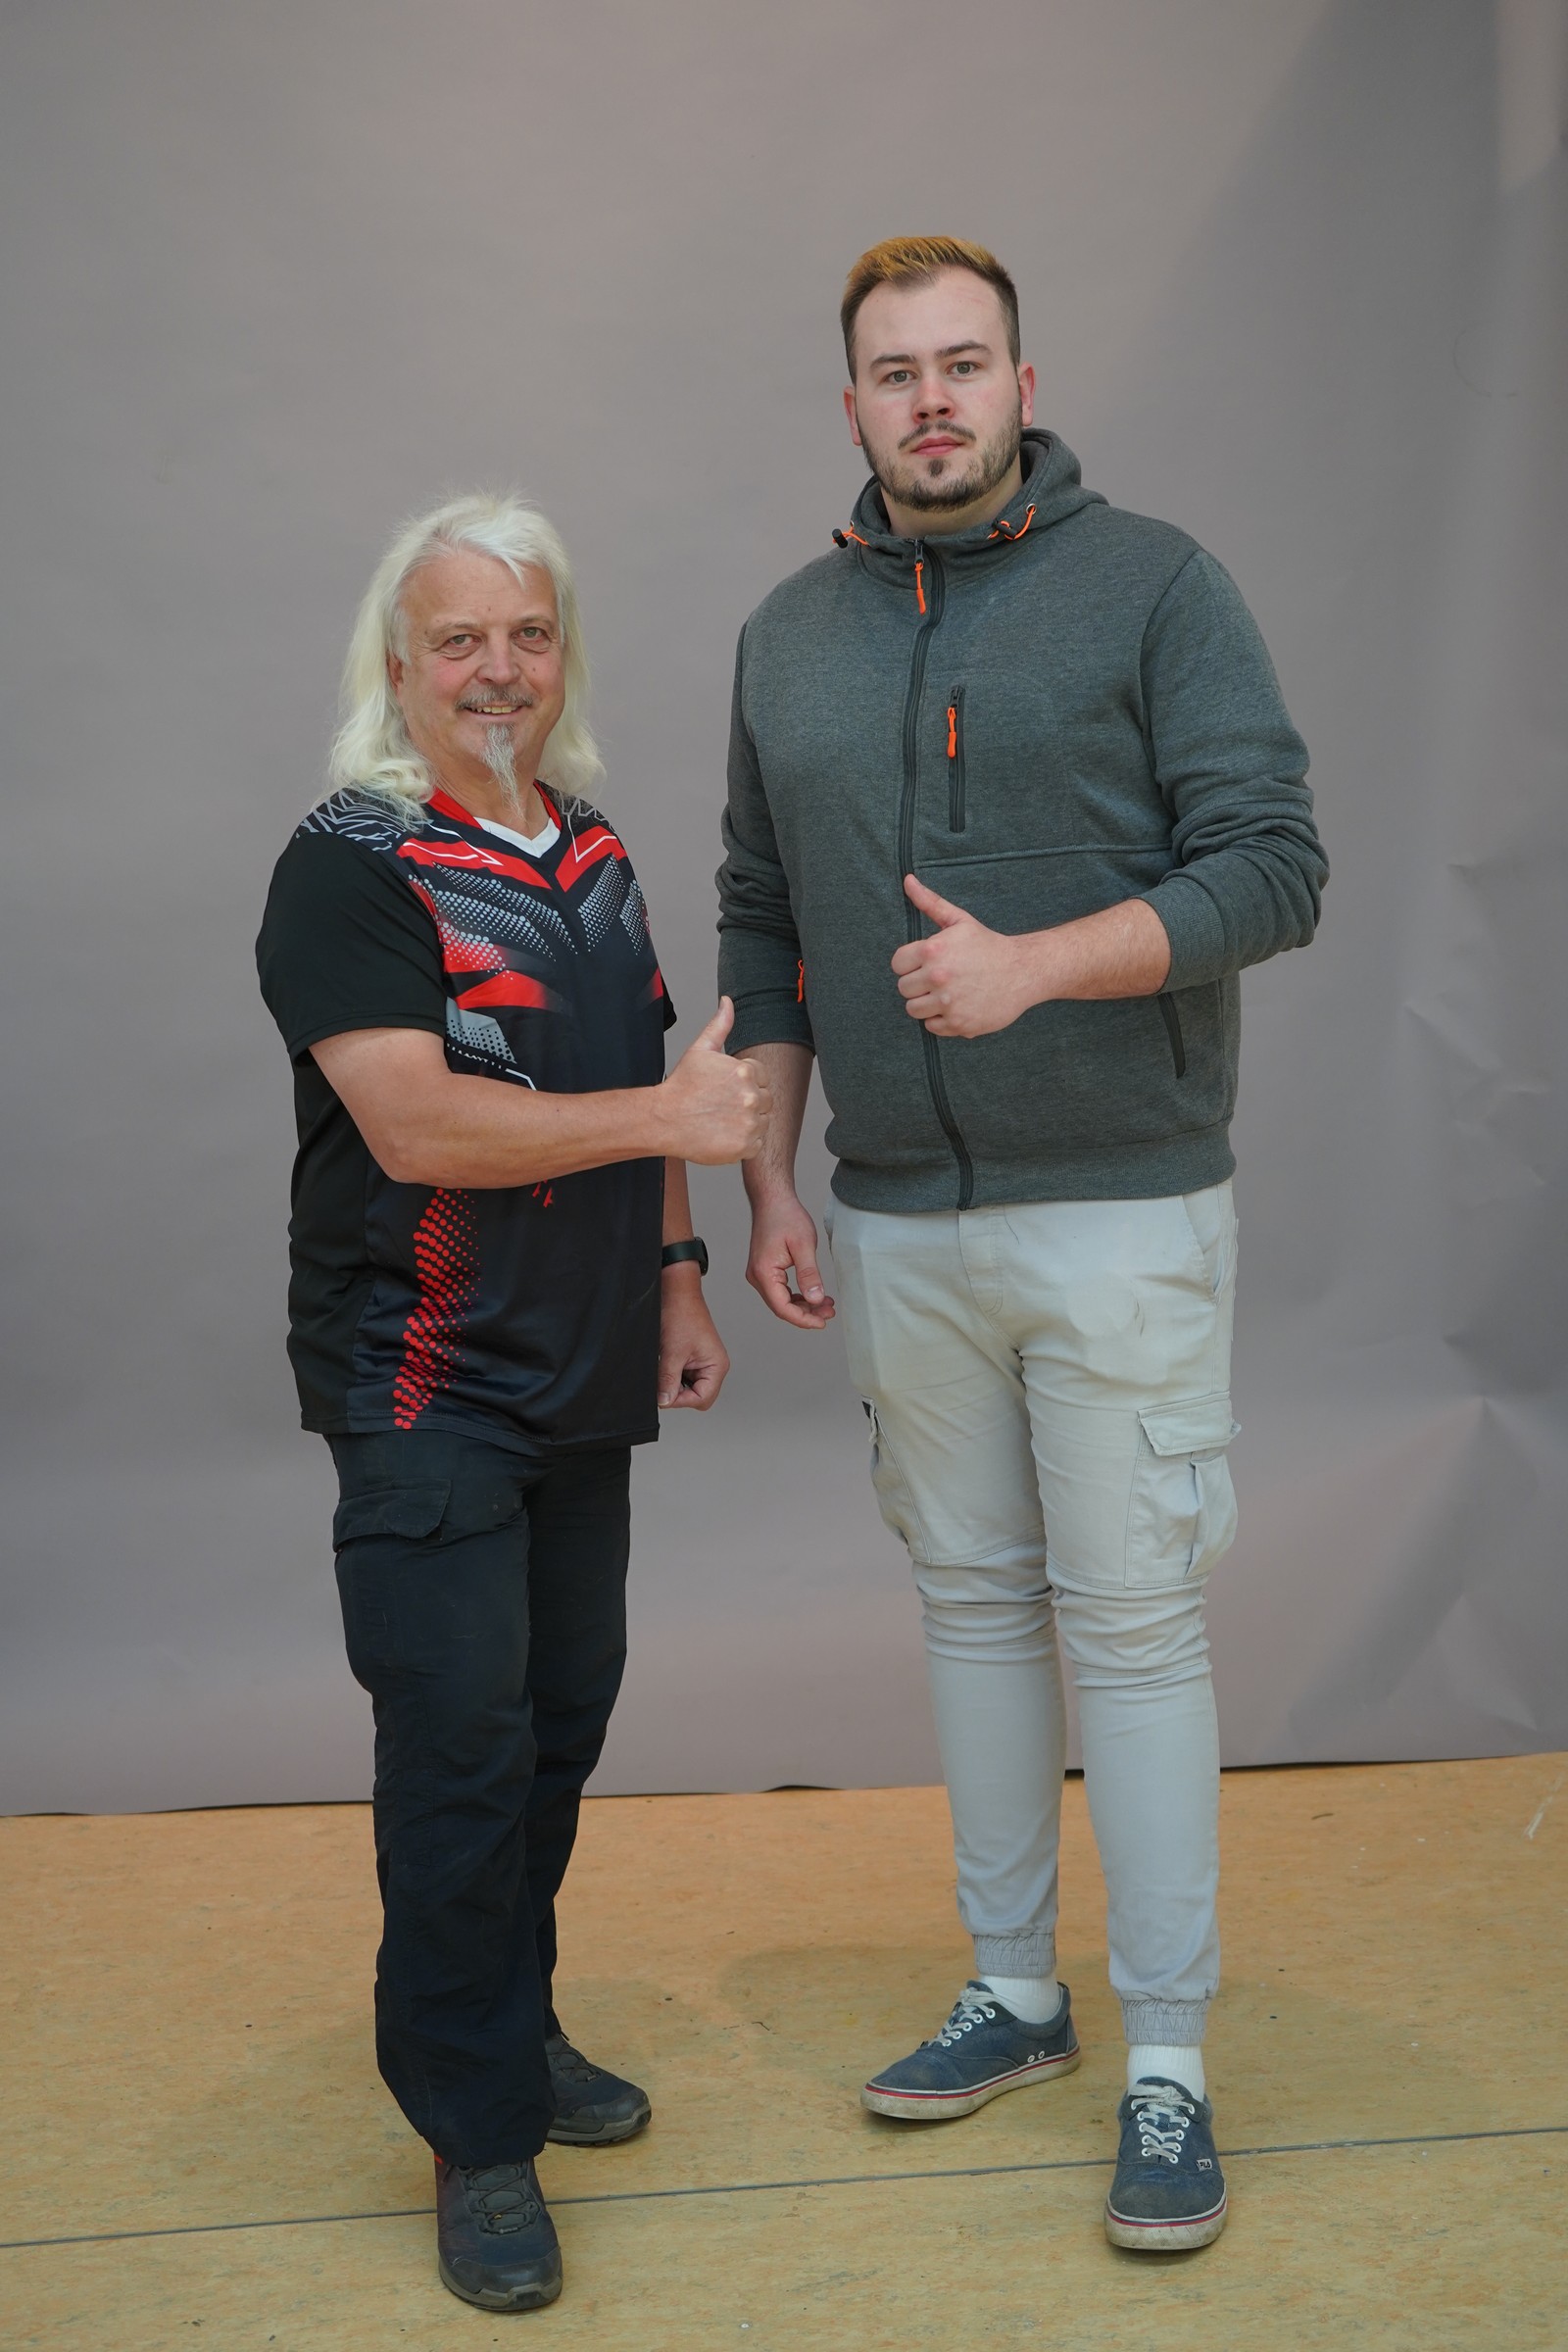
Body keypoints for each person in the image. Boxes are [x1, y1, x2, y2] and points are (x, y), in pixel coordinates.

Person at [717, 237, 1326, 2252]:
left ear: (1020, 383)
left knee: (1133, 1631)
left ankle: (1169, 2063)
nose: (932, 400)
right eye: (894, 372)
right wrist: (769, 1179)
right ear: (853, 406)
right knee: (973, 1611)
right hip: (894, 1218)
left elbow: (1273, 866)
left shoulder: (1158, 585)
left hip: (1124, 1209)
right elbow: (759, 919)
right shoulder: (785, 634)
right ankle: (1012, 1994)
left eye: (962, 363)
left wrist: (1037, 968)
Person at [257, 495, 770, 2313]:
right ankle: (477, 2134)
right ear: (398, 664)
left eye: (528, 635)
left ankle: (511, 2022)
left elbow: (657, 1073)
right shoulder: (352, 859)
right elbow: (416, 1126)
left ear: (564, 657)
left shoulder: (590, 847)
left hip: (583, 1373)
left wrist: (678, 1273)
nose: (498, 669)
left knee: (556, 1726)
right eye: (459, 638)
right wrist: (671, 1125)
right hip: (425, 1382)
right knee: (460, 1752)